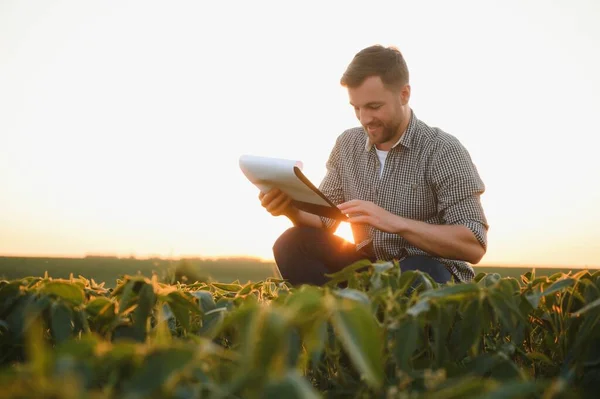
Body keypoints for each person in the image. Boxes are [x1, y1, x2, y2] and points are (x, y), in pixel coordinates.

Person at [259, 45, 488, 285]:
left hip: (429, 269)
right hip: (370, 268)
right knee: (293, 243)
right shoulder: (347, 144)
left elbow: (474, 244)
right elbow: (325, 221)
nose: (365, 119)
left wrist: (397, 224)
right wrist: (289, 209)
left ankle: (374, 313)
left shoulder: (443, 150)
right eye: (356, 108)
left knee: (416, 274)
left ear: (404, 94)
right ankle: (340, 316)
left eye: (374, 107)